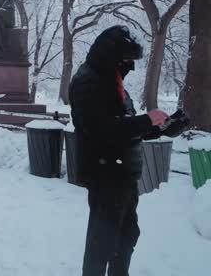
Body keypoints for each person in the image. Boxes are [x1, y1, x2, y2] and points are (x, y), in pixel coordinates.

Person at [69, 26, 170, 276]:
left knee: (126, 236)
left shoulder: (112, 81)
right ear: (111, 55)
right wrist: (147, 121)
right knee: (102, 241)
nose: (129, 67)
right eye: (126, 60)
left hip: (123, 174)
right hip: (105, 173)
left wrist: (159, 128)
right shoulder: (88, 81)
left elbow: (125, 124)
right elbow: (102, 129)